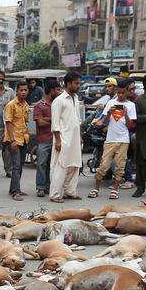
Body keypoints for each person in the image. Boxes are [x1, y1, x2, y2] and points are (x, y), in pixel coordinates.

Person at [92, 81, 136, 200]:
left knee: (120, 167)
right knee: (103, 165)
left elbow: (130, 126)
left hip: (123, 140)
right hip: (110, 139)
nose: (120, 95)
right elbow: (104, 123)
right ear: (116, 91)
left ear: (127, 91)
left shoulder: (131, 105)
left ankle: (115, 190)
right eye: (119, 92)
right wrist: (109, 114)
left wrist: (125, 114)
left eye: (123, 92)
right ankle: (96, 189)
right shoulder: (111, 103)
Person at [49, 71, 84, 202]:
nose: (78, 86)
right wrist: (58, 140)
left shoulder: (75, 99)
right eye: (76, 83)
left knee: (75, 166)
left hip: (75, 139)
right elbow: (55, 123)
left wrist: (79, 136)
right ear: (68, 83)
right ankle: (55, 195)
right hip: (63, 139)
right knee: (61, 166)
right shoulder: (59, 101)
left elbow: (78, 120)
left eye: (79, 83)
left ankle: (70, 191)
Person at [4, 82, 31, 201]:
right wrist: (12, 140)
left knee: (20, 165)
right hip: (14, 139)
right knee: (16, 166)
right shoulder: (11, 105)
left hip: (24, 138)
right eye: (21, 90)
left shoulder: (26, 105)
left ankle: (14, 188)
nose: (23, 92)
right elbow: (8, 122)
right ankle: (16, 192)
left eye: (25, 90)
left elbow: (25, 122)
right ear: (17, 91)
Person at [32, 81, 59, 197]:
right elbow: (40, 122)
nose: (59, 92)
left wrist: (47, 119)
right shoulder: (39, 105)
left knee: (51, 165)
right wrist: (53, 119)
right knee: (41, 164)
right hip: (43, 140)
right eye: (57, 90)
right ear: (51, 90)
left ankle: (49, 186)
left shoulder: (57, 104)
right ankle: (41, 187)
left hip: (55, 139)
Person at [0, 70, 15, 177]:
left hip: (7, 126)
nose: (1, 81)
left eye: (2, 79)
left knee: (7, 149)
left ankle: (9, 171)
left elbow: (15, 106)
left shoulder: (10, 92)